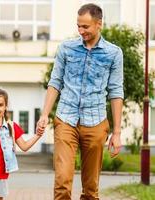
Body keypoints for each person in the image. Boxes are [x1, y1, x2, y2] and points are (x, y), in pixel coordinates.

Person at [36, 3, 123, 200]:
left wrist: (116, 132)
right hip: (66, 118)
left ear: (99, 24)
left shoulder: (113, 53)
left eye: (85, 27)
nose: (81, 31)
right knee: (62, 182)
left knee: (91, 189)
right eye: (78, 26)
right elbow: (55, 82)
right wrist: (44, 115)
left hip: (96, 121)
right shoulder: (66, 48)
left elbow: (116, 91)